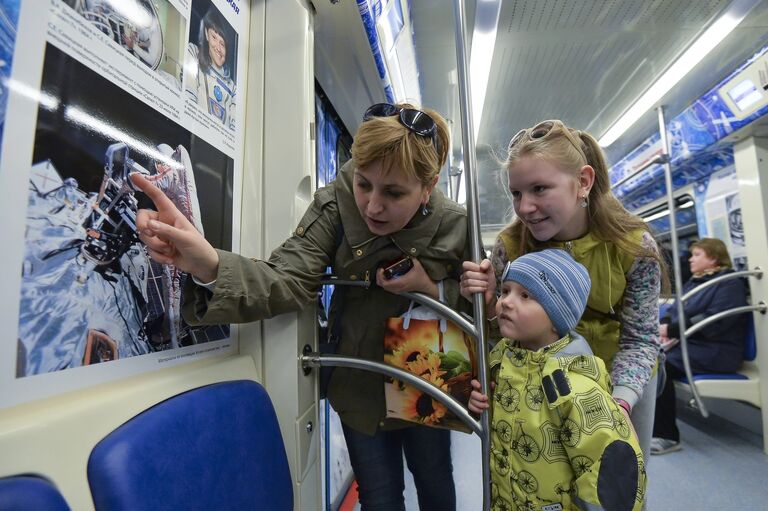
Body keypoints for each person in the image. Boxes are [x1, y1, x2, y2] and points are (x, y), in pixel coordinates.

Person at [131, 102, 465, 511]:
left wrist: (431, 287)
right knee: (379, 497)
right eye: (364, 184)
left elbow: (486, 308)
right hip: (358, 375)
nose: (373, 206)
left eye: (394, 193)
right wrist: (209, 265)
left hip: (428, 372)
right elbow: (286, 279)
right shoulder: (336, 205)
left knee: (435, 482)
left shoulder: (456, 224)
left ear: (428, 187)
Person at [461, 119, 665, 463]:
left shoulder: (633, 248)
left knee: (616, 487)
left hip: (620, 383)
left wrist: (618, 402)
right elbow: (499, 336)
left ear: (583, 182)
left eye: (540, 189)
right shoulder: (510, 247)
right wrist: (488, 306)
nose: (524, 206)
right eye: (517, 193)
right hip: (534, 386)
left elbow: (641, 339)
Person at [468, 249, 646, 511]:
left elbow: (610, 469)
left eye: (526, 296)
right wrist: (479, 406)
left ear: (556, 317)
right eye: (505, 291)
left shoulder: (575, 387)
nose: (506, 302)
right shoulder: (500, 364)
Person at [652, 238, 748, 454]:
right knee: (649, 358)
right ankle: (650, 424)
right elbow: (673, 310)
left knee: (660, 365)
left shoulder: (729, 283)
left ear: (714, 258)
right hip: (692, 345)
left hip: (717, 350)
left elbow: (715, 321)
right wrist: (666, 326)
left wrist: (672, 331)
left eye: (697, 255)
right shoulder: (695, 282)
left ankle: (667, 436)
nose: (690, 260)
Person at [183, 7, 236, 130]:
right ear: (206, 34)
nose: (218, 47)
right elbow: (188, 98)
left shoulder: (233, 89)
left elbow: (233, 130)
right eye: (214, 37)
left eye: (222, 44)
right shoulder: (193, 53)